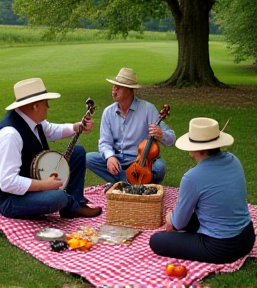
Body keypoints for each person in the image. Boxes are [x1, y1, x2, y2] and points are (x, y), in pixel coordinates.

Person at [0, 77, 102, 219]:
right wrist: (44, 185)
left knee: (78, 152)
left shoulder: (33, 120)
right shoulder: (10, 135)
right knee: (58, 197)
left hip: (33, 182)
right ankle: (69, 203)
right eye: (46, 103)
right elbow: (8, 182)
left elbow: (52, 130)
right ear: (35, 106)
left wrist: (76, 127)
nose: (48, 107)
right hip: (10, 200)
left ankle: (74, 206)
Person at [149, 117, 255, 264]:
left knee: (157, 241)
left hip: (221, 247)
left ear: (195, 150)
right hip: (247, 236)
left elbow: (177, 224)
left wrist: (170, 218)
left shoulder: (192, 177)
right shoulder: (233, 159)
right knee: (189, 217)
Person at [86, 67, 175, 185]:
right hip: (118, 159)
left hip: (141, 161)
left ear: (130, 90)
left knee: (159, 167)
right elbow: (104, 142)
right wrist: (110, 157)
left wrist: (162, 134)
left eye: (119, 87)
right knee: (89, 158)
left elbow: (171, 139)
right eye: (114, 86)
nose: (114, 90)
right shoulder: (108, 112)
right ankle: (133, 181)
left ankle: (124, 182)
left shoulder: (148, 109)